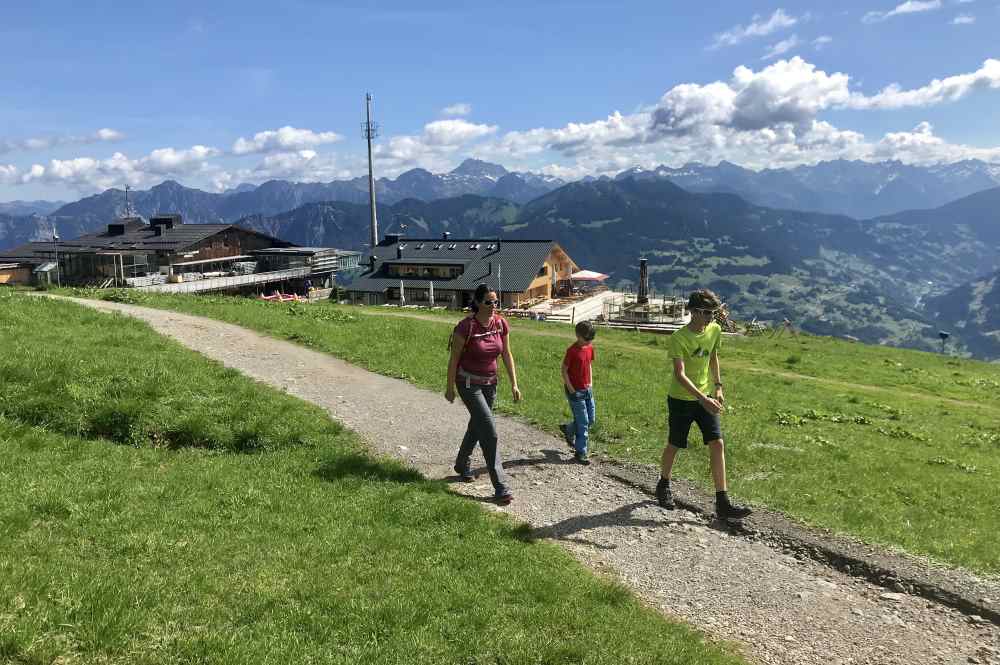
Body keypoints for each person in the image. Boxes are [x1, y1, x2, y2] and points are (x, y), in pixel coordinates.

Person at [656, 289, 752, 520]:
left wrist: (718, 386)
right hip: (681, 399)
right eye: (707, 313)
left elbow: (713, 356)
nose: (711, 318)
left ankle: (723, 501)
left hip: (705, 396)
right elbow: (679, 375)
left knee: (717, 443)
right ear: (693, 312)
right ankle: (663, 484)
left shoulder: (714, 330)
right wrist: (703, 398)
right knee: (675, 443)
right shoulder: (679, 338)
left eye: (713, 313)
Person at [446, 283, 522, 505]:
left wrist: (514, 384)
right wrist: (450, 387)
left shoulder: (500, 324)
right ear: (478, 303)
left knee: (478, 425)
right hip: (468, 384)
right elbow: (454, 359)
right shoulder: (465, 327)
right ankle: (501, 487)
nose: (493, 306)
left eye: (496, 301)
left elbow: (506, 354)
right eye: (489, 302)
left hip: (491, 384)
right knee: (489, 430)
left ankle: (462, 463)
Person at [559, 321, 597, 465]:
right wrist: (572, 390)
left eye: (591, 339)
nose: (589, 342)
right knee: (583, 422)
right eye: (586, 339)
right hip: (575, 392)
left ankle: (568, 429)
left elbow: (589, 365)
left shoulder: (589, 348)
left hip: (587, 390)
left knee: (591, 419)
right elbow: (564, 370)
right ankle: (581, 452)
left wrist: (591, 383)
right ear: (578, 335)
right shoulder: (572, 351)